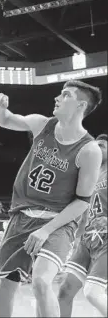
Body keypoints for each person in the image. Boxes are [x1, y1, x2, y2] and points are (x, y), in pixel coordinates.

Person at [0, 80, 103, 318]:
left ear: (80, 105)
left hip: (57, 222)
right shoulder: (43, 124)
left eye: (65, 95)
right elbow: (6, 120)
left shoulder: (89, 150)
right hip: (21, 216)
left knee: (41, 281)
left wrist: (45, 230)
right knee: (5, 284)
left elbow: (82, 201)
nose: (57, 98)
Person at [58, 134, 107, 317]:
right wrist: (76, 237)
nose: (98, 147)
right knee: (64, 292)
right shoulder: (90, 177)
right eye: (96, 145)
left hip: (107, 236)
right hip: (88, 237)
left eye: (102, 145)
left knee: (93, 293)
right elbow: (85, 212)